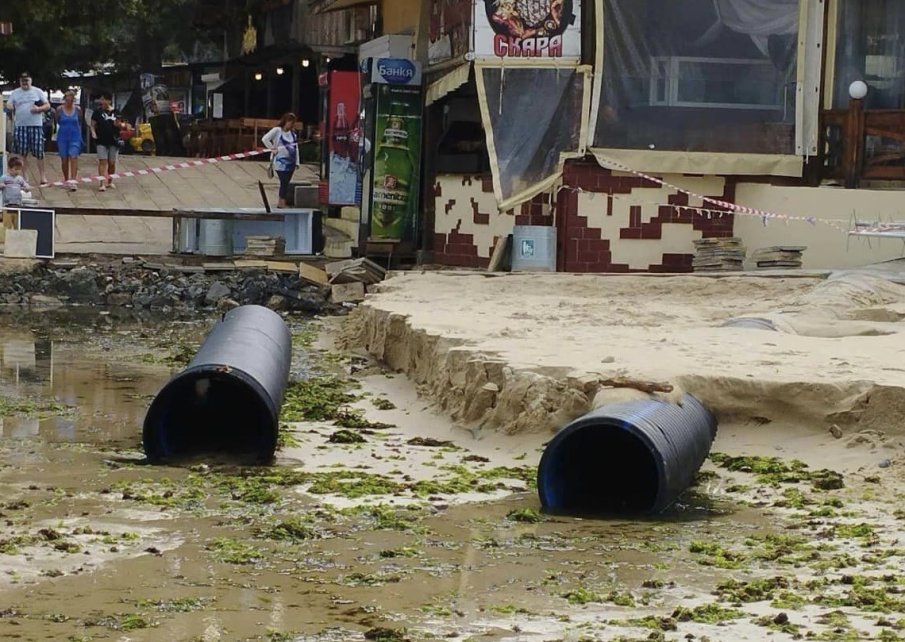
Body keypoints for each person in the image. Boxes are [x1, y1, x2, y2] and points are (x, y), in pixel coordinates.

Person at [5, 73, 51, 187]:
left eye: (27, 80)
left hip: (36, 125)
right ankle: (25, 177)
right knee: (22, 153)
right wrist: (9, 106)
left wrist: (39, 109)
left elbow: (47, 106)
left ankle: (42, 177)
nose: (25, 83)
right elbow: (9, 104)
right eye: (22, 81)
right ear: (20, 81)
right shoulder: (15, 93)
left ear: (31, 80)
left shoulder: (37, 91)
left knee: (39, 152)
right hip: (21, 126)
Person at [262, 113, 300, 208]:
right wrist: (272, 148)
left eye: (292, 123)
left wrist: (297, 161)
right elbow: (265, 139)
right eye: (289, 122)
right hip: (280, 162)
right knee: (283, 181)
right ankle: (281, 202)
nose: (290, 125)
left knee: (286, 182)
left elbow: (296, 148)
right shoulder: (277, 131)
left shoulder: (293, 134)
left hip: (291, 162)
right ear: (285, 121)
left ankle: (282, 200)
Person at [90, 91, 123, 192]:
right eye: (101, 99)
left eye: (104, 99)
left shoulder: (116, 112)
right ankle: (101, 183)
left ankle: (110, 181)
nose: (102, 101)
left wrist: (118, 124)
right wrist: (93, 133)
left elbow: (121, 125)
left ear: (109, 101)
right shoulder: (97, 112)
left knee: (112, 162)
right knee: (102, 161)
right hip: (101, 140)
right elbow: (92, 124)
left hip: (113, 140)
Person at [55, 90, 85, 192]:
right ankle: (66, 179)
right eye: (67, 100)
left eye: (70, 100)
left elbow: (80, 122)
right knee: (64, 160)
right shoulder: (59, 110)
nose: (68, 102)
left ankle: (73, 180)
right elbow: (57, 121)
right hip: (63, 136)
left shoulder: (78, 110)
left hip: (75, 136)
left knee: (73, 156)